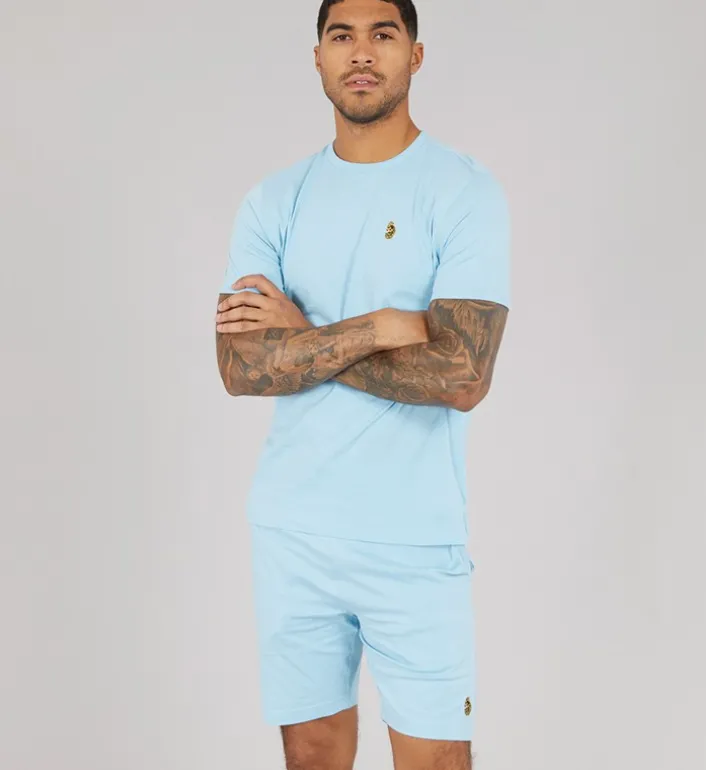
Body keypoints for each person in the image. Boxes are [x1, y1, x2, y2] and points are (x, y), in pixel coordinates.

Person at [215, 1, 510, 768]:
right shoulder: (273, 200)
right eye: (341, 36)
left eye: (384, 34)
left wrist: (302, 336)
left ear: (416, 55)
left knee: (436, 759)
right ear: (318, 57)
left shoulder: (461, 191)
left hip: (413, 535)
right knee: (311, 753)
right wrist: (380, 326)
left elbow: (463, 374)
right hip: (293, 530)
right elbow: (241, 368)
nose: (362, 53)